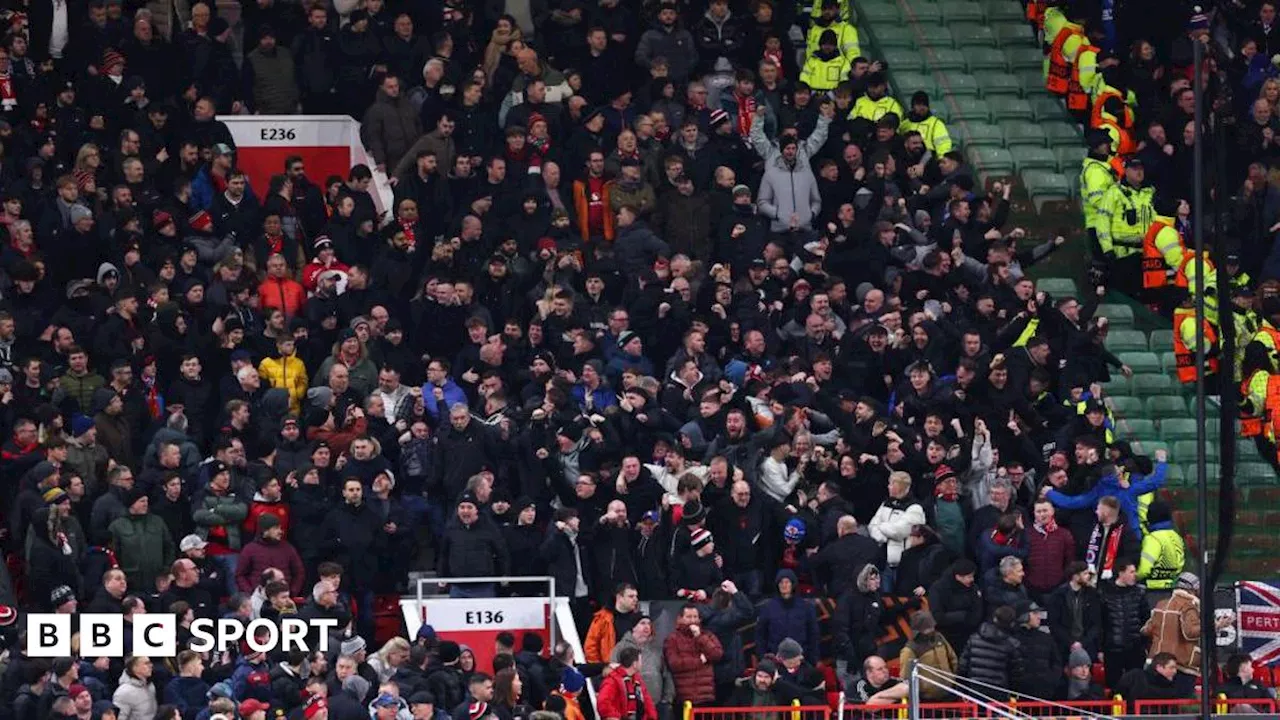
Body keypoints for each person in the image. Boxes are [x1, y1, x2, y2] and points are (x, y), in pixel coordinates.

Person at [663, 604, 723, 707]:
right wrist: (700, 660)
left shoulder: (707, 635)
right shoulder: (672, 639)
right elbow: (675, 663)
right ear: (680, 619)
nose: (693, 620)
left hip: (706, 696)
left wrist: (700, 637)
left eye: (695, 617)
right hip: (684, 698)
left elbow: (717, 654)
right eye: (689, 617)